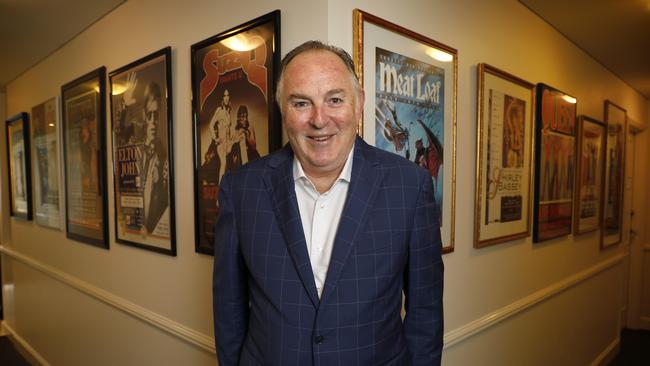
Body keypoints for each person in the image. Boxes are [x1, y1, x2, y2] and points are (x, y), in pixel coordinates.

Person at [213, 41, 444, 366]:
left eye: (335, 99)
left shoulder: (411, 186)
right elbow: (228, 308)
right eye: (301, 103)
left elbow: (426, 313)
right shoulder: (241, 189)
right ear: (284, 109)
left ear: (359, 102)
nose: (319, 120)